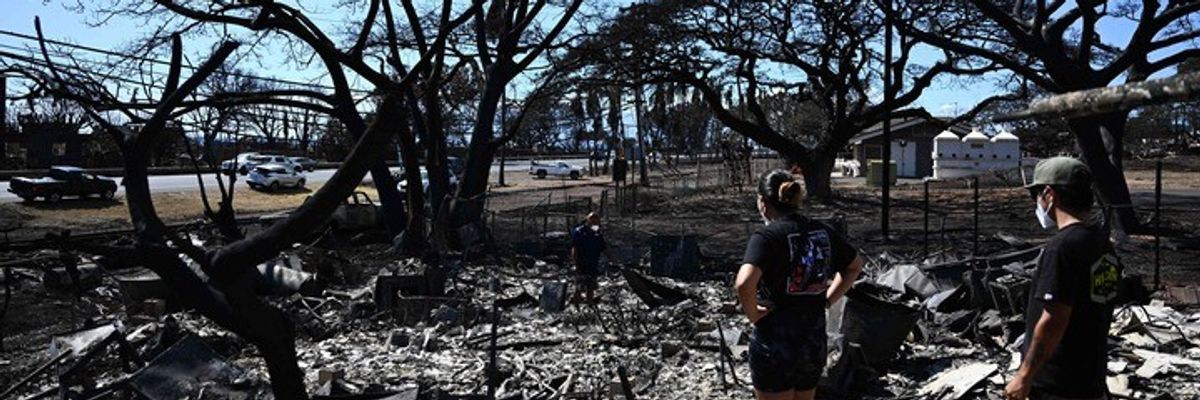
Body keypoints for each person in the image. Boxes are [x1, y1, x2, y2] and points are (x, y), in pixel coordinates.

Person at [735, 170, 864, 400]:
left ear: (763, 202)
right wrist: (828, 300)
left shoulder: (766, 237)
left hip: (775, 342)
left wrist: (753, 314)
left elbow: (744, 283)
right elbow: (854, 265)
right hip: (812, 341)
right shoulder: (821, 231)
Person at [1005, 157, 1120, 400]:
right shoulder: (1102, 244)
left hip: (1057, 384)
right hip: (1089, 378)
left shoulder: (1062, 248)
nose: (1037, 201)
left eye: (1036, 194)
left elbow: (1053, 319)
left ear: (1049, 194)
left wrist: (1024, 376)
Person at [571, 212, 609, 305]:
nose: (595, 224)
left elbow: (603, 246)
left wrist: (610, 257)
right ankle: (576, 301)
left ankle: (589, 302)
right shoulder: (580, 232)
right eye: (593, 221)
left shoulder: (596, 232)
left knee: (591, 285)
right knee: (580, 285)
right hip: (582, 262)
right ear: (588, 220)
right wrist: (575, 263)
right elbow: (574, 248)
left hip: (593, 262)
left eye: (597, 222)